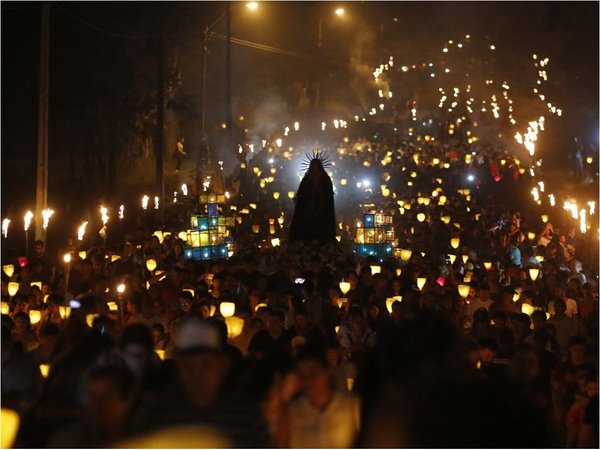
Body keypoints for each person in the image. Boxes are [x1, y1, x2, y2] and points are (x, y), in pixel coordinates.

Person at [275, 344, 361, 448]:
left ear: (327, 372)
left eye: (313, 373)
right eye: (303, 376)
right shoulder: (291, 413)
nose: (309, 381)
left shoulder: (351, 407)